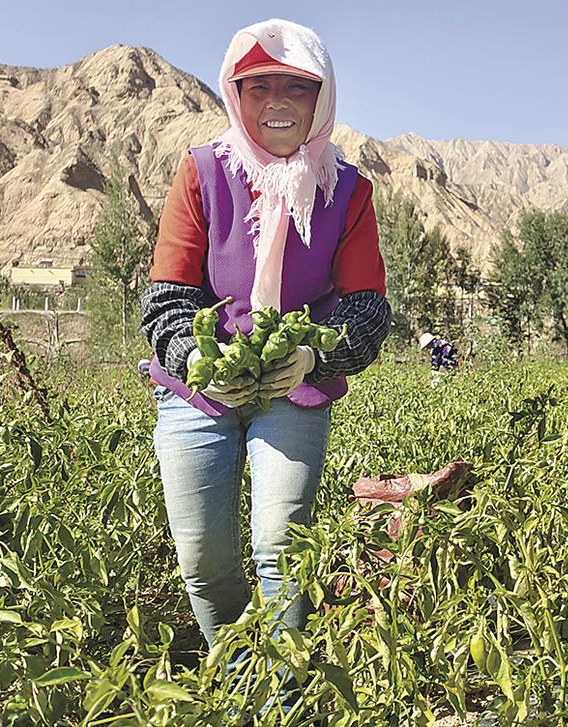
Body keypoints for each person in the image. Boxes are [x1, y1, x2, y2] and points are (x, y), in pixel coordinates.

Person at [139, 18, 390, 648]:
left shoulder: (348, 191)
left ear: (321, 99)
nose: (277, 101)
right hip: (198, 391)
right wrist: (197, 360)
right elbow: (167, 298)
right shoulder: (203, 172)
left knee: (281, 546)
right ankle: (234, 674)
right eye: (259, 87)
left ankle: (279, 687)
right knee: (203, 557)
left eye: (297, 87)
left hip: (293, 386)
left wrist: (308, 356)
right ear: (236, 94)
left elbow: (365, 309)